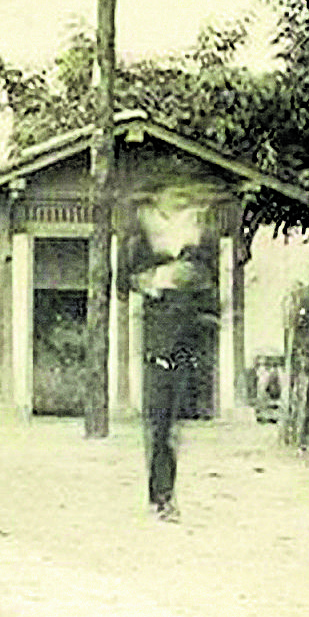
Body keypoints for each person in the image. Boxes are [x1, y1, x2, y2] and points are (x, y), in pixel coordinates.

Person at [127, 182, 217, 523]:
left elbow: (207, 285)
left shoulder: (198, 239)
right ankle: (162, 495)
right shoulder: (143, 238)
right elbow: (127, 280)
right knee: (160, 424)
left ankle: (163, 493)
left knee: (171, 425)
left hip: (185, 339)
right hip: (157, 339)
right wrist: (157, 279)